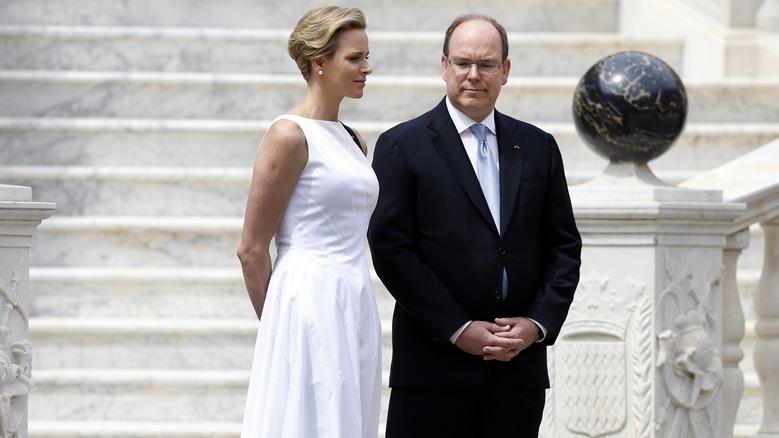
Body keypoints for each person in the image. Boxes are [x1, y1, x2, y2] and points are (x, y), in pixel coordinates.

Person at [367, 13, 582, 438]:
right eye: (463, 62)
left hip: (516, 370)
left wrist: (536, 324)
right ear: (444, 65)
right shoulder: (402, 145)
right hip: (432, 368)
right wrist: (457, 328)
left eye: (486, 64)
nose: (473, 75)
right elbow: (391, 249)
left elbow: (563, 247)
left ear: (505, 70)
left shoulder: (538, 146)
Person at [236, 6, 381, 437]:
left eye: (366, 57)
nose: (366, 68)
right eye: (354, 58)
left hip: (355, 296)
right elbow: (251, 249)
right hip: (305, 299)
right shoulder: (288, 135)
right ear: (320, 62)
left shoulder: (355, 140)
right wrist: (280, 324)